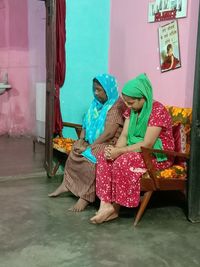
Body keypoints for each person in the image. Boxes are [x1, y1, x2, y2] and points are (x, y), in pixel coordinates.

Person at [90, 73, 175, 224]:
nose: (127, 107)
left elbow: (148, 144)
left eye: (131, 103)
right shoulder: (132, 110)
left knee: (123, 161)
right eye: (126, 102)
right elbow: (124, 136)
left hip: (156, 154)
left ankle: (115, 208)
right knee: (104, 156)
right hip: (136, 149)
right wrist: (114, 151)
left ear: (143, 98)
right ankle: (105, 205)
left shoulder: (157, 111)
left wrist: (120, 153)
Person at [48, 74, 125, 211]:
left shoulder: (116, 105)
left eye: (99, 90)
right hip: (94, 141)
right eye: (94, 89)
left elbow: (109, 133)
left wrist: (91, 146)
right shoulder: (96, 103)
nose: (96, 93)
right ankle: (67, 185)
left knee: (90, 157)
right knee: (76, 149)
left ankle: (85, 197)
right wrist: (81, 139)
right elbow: (85, 124)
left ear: (108, 90)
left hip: (110, 143)